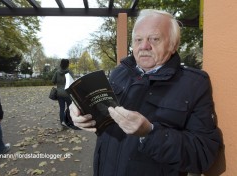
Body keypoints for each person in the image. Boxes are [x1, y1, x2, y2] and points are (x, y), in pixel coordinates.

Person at [69, 9, 222, 176]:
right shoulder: (119, 73)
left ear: (173, 44)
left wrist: (150, 133)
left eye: (154, 39)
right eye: (138, 39)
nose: (144, 46)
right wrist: (77, 113)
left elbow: (203, 153)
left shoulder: (194, 84)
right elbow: (101, 118)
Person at [52, 59, 74, 127]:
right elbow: (72, 82)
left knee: (61, 109)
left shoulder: (57, 72)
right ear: (67, 64)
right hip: (67, 93)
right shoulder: (69, 72)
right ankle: (69, 121)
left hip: (59, 93)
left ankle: (62, 122)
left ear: (61, 64)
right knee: (69, 108)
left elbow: (53, 81)